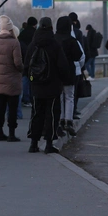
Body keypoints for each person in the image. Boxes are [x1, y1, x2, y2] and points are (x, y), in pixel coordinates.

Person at [24, 17, 71, 154]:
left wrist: (32, 79)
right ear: (51, 27)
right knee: (51, 114)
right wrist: (63, 80)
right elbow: (63, 66)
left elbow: (27, 66)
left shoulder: (33, 45)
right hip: (52, 86)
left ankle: (33, 143)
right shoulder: (55, 44)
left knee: (36, 113)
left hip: (36, 86)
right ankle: (49, 143)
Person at [0, 15, 23, 142]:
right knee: (12, 108)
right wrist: (21, 70)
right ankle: (12, 134)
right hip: (13, 81)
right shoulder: (15, 42)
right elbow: (18, 63)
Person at [53, 16, 83, 137]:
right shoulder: (72, 40)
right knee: (69, 96)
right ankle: (68, 121)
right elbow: (78, 56)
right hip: (69, 72)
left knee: (59, 97)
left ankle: (60, 121)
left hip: (56, 73)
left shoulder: (54, 39)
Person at [18, 16, 38, 108]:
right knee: (32, 79)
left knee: (25, 79)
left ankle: (25, 99)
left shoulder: (22, 34)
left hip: (23, 59)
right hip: (34, 59)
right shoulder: (35, 34)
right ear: (35, 24)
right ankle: (32, 97)